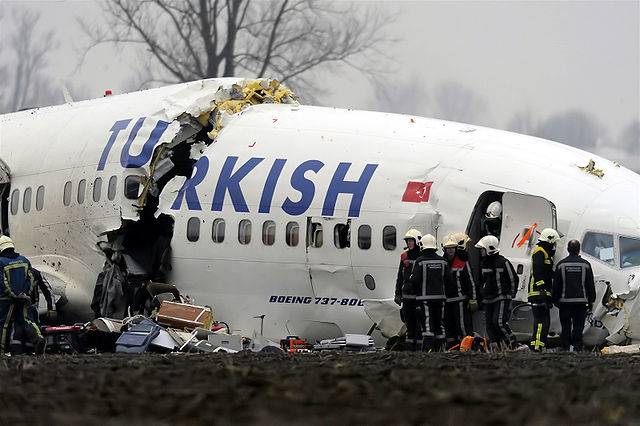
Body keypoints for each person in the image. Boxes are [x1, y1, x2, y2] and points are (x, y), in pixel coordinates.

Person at [0, 236, 44, 355]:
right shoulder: (24, 260)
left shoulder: (1, 262)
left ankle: (2, 350)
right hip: (24, 298)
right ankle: (38, 338)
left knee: (4, 324)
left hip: (7, 300)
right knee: (27, 320)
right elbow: (30, 279)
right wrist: (25, 293)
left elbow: (3, 282)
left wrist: (13, 295)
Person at [475, 235, 518, 351]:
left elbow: (513, 278)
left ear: (489, 249)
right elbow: (482, 281)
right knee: (489, 324)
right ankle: (496, 347)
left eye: (482, 249)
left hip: (502, 297)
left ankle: (513, 344)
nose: (481, 252)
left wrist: (511, 294)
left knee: (498, 322)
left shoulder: (503, 262)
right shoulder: (484, 263)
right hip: (488, 299)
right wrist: (480, 296)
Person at [552, 240, 596, 351]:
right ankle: (577, 347)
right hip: (580, 303)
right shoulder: (585, 265)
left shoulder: (561, 265)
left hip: (564, 303)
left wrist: (555, 300)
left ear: (568, 249)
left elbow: (556, 284)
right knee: (578, 326)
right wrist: (591, 300)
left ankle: (566, 347)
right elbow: (590, 284)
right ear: (578, 249)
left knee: (565, 326)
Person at [410, 234, 449, 352]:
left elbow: (414, 279)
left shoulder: (420, 261)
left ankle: (428, 350)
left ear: (422, 246)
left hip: (425, 299)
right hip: (441, 298)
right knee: (440, 324)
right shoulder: (443, 261)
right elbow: (449, 280)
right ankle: (441, 348)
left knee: (428, 325)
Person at [528, 228, 561, 351]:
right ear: (549, 241)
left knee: (544, 321)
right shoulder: (539, 252)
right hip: (538, 292)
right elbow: (538, 272)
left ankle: (539, 345)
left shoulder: (545, 253)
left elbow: (546, 272)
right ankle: (537, 346)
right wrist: (542, 288)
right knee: (542, 321)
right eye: (554, 243)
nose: (554, 247)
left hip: (542, 293)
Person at [442, 233, 476, 348]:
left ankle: (467, 348)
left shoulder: (462, 261)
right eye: (448, 248)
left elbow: (471, 282)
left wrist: (473, 299)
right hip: (447, 301)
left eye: (453, 248)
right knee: (448, 327)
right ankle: (452, 348)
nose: (451, 250)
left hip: (460, 301)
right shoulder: (442, 263)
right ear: (444, 249)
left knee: (463, 326)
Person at [394, 229, 422, 351]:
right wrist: (397, 293)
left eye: (411, 241)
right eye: (408, 241)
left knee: (419, 325)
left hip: (419, 296)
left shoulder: (422, 256)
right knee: (409, 324)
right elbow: (400, 276)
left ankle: (420, 349)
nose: (409, 243)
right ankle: (409, 349)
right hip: (407, 297)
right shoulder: (404, 256)